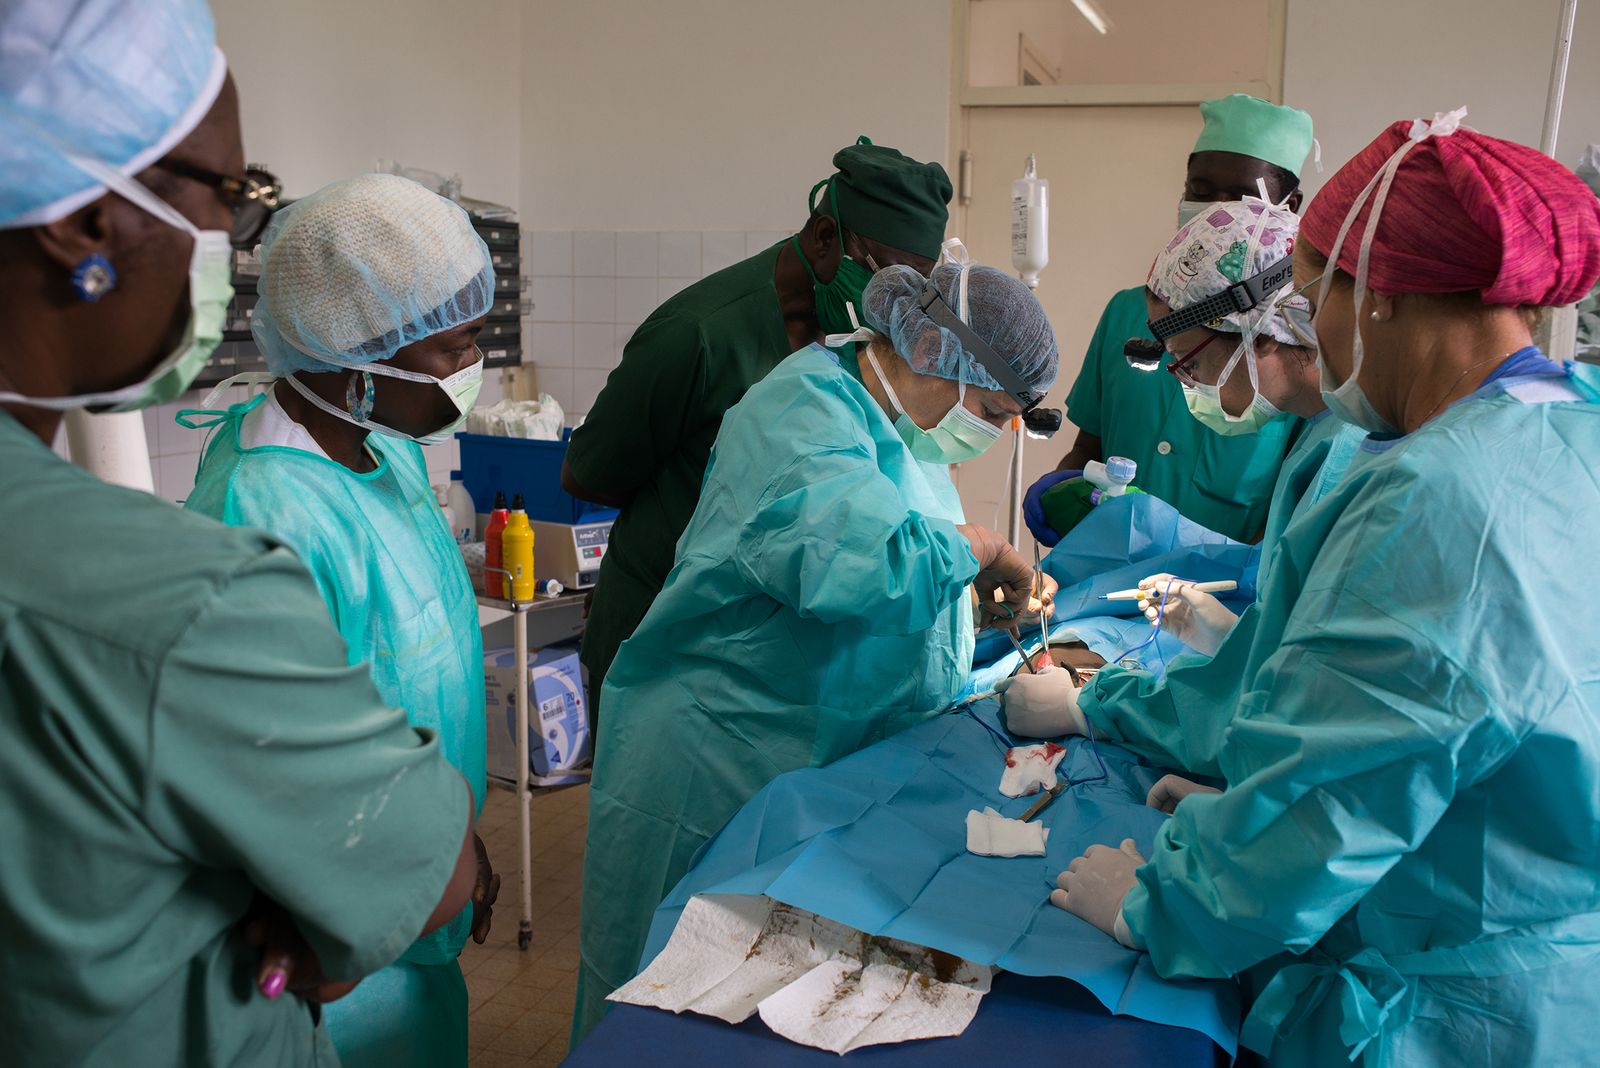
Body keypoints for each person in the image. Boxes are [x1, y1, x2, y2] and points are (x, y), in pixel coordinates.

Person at [1014, 110, 1600, 1064]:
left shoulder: (1436, 495)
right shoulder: (1573, 421)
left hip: (1460, 1011)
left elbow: (1331, 801)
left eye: (1315, 288)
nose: (1308, 321)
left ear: (1376, 298)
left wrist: (1164, 901)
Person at [0, 2, 490, 1064]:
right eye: (232, 192)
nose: (230, 242)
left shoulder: (389, 452)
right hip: (330, 972)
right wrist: (423, 859)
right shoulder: (207, 567)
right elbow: (408, 858)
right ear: (81, 224)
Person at [571, 259, 1059, 1043]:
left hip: (804, 755)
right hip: (716, 759)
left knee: (761, 1003)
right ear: (933, 351)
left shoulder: (903, 432)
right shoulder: (798, 410)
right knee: (667, 1001)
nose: (996, 431)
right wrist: (983, 547)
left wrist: (968, 599)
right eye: (995, 409)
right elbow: (864, 562)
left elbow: (900, 557)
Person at [183, 173, 497, 1068]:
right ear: (355, 356)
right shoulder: (264, 508)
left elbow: (413, 686)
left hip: (420, 896)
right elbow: (261, 775)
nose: (475, 367)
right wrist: (370, 898)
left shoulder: (381, 449)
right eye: (458, 344)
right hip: (334, 960)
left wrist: (458, 839)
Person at [561, 137, 952, 726]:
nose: (892, 310)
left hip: (762, 643)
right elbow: (589, 472)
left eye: (912, 295)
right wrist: (724, 504)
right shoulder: (699, 335)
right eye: (886, 282)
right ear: (824, 238)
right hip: (661, 626)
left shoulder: (858, 337)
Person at [1002, 196, 1366, 774]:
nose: (1184, 382)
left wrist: (1090, 706)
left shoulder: (1352, 455)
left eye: (1185, 360)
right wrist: (1234, 637)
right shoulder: (1333, 435)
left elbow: (1310, 704)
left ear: (1261, 332)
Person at [1047, 94, 1315, 542]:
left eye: (1242, 196)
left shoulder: (1292, 357)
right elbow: (1088, 449)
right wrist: (1062, 497)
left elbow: (1287, 532)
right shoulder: (1130, 311)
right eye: (1202, 191)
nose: (1217, 210)